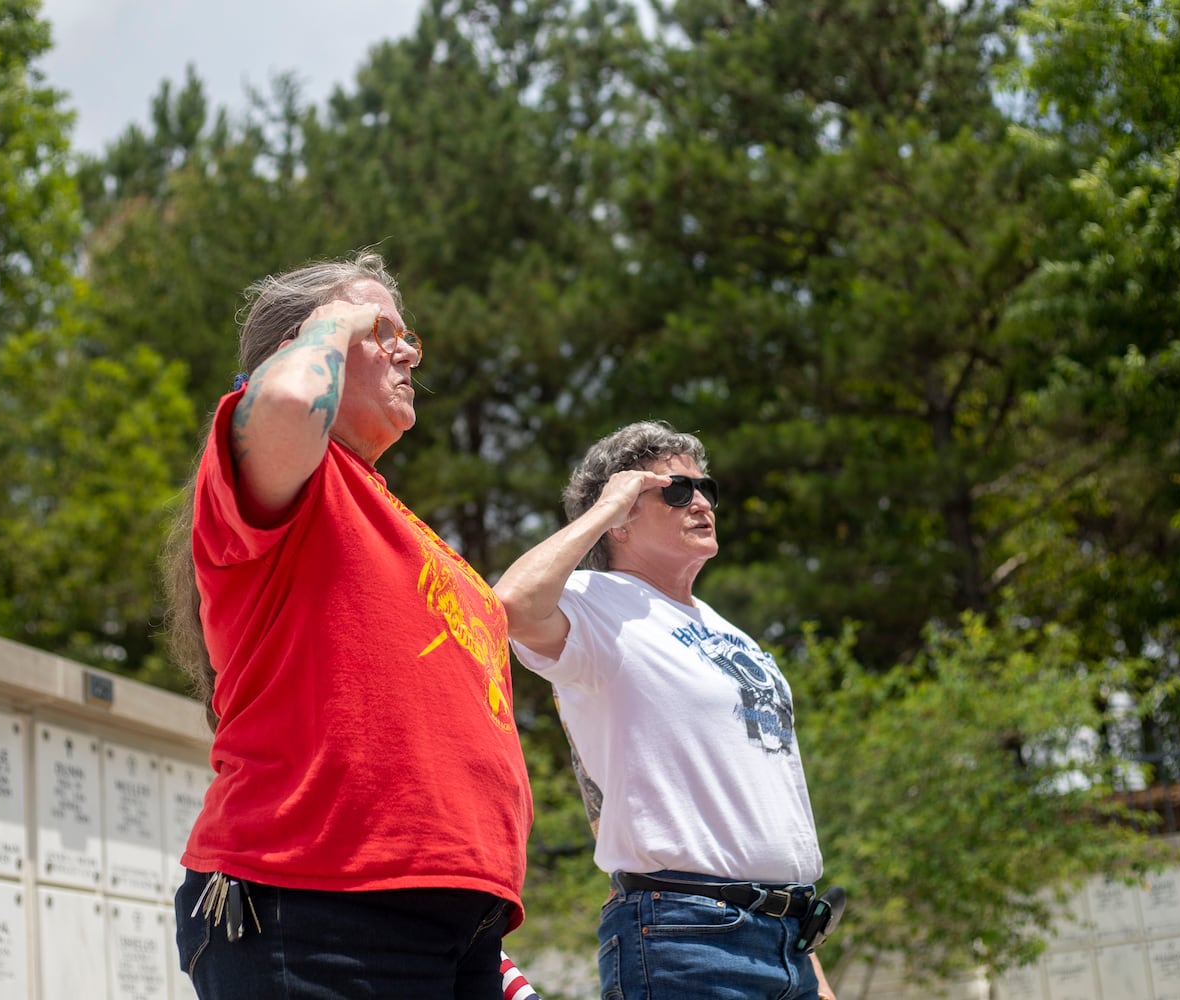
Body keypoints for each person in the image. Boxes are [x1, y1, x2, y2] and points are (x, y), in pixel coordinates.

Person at [162, 251, 532, 999]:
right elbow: (294, 402)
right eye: (381, 328)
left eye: (407, 333)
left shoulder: (406, 528)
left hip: (454, 923)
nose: (404, 349)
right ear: (308, 342)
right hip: (318, 906)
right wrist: (336, 317)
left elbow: (501, 617)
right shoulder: (286, 474)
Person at [494, 420, 837, 1000]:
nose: (701, 500)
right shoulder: (595, 600)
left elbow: (768, 813)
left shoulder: (736, 636)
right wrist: (604, 508)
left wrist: (811, 970)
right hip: (686, 934)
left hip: (786, 940)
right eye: (676, 490)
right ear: (623, 516)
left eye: (706, 488)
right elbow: (511, 606)